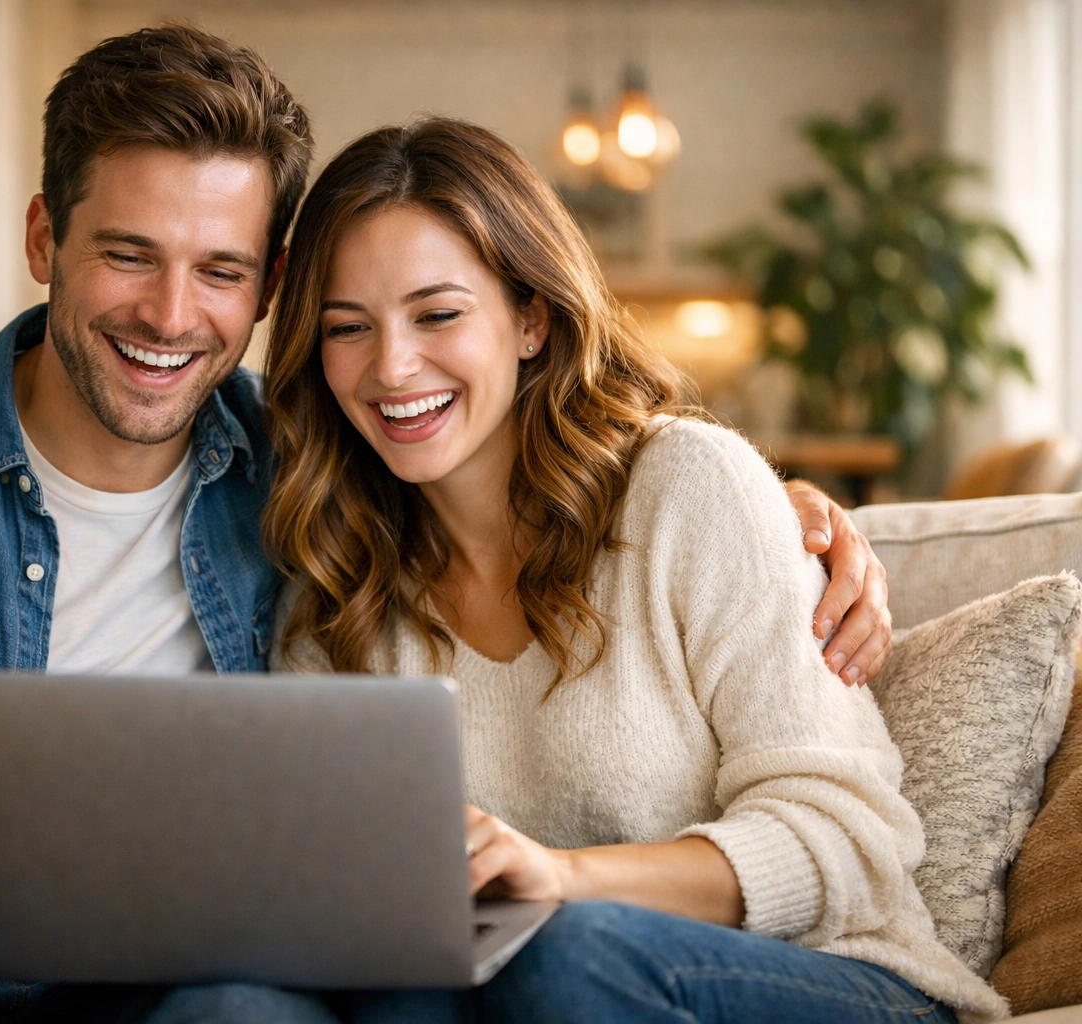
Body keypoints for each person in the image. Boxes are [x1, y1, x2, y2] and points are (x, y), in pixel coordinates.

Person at [0, 27, 887, 1024]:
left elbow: (546, 468)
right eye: (128, 253)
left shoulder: (315, 468)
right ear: (42, 238)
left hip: (176, 995)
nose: (170, 315)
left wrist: (786, 522)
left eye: (224, 272)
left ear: (265, 292)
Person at [261, 117, 1004, 1023]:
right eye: (348, 328)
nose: (392, 365)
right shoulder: (336, 585)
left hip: (822, 975)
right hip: (525, 991)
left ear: (530, 318)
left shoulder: (687, 487)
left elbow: (849, 841)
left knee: (564, 956)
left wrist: (561, 881)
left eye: (439, 313)